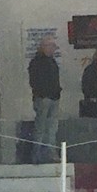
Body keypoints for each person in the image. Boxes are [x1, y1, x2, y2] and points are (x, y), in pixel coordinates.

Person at [28, 34, 61, 164]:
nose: (53, 49)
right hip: (43, 98)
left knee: (52, 128)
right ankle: (37, 154)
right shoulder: (36, 62)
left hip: (53, 98)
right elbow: (35, 82)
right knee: (41, 127)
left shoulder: (52, 61)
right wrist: (43, 93)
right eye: (50, 46)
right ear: (43, 47)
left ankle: (50, 153)